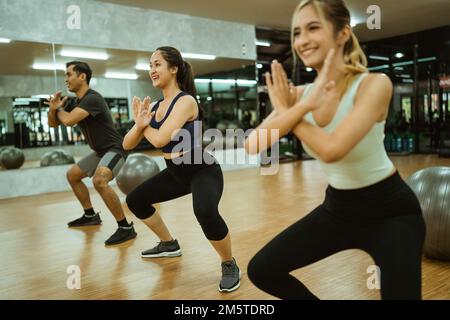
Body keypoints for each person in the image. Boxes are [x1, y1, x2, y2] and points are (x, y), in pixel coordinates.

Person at [244, 0, 425, 300]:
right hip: (338, 209)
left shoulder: (374, 84)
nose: (302, 40)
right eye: (297, 32)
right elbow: (253, 144)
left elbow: (332, 149)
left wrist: (292, 112)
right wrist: (300, 106)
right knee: (262, 269)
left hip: (391, 212)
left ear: (342, 33)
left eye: (313, 28)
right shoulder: (301, 95)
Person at [122, 46, 241, 293]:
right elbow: (127, 144)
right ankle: (168, 244)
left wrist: (143, 127)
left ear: (174, 69)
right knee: (136, 201)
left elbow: (161, 139)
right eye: (150, 65)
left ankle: (229, 263)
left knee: (205, 211)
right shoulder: (154, 107)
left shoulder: (185, 101)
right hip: (175, 171)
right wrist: (140, 124)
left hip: (200, 168)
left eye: (157, 65)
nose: (152, 70)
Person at [46, 61, 136, 246]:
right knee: (72, 175)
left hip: (115, 149)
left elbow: (69, 120)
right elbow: (53, 124)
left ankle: (125, 227)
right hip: (100, 151)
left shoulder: (92, 98)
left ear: (82, 76)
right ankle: (90, 215)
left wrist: (58, 109)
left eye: (69, 74)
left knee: (99, 181)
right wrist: (52, 109)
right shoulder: (76, 102)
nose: (66, 79)